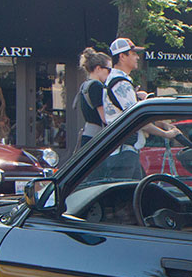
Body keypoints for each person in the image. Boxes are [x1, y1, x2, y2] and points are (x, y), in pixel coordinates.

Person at [103, 37, 181, 178]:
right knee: (127, 196)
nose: (137, 57)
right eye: (133, 54)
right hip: (124, 152)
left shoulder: (116, 81)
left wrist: (163, 124)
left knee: (138, 193)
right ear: (122, 56)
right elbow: (138, 119)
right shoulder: (121, 84)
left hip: (123, 150)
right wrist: (165, 134)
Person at [75, 47, 111, 150]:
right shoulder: (96, 86)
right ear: (98, 68)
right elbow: (104, 118)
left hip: (88, 135)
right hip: (96, 138)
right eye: (108, 69)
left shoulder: (85, 85)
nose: (110, 73)